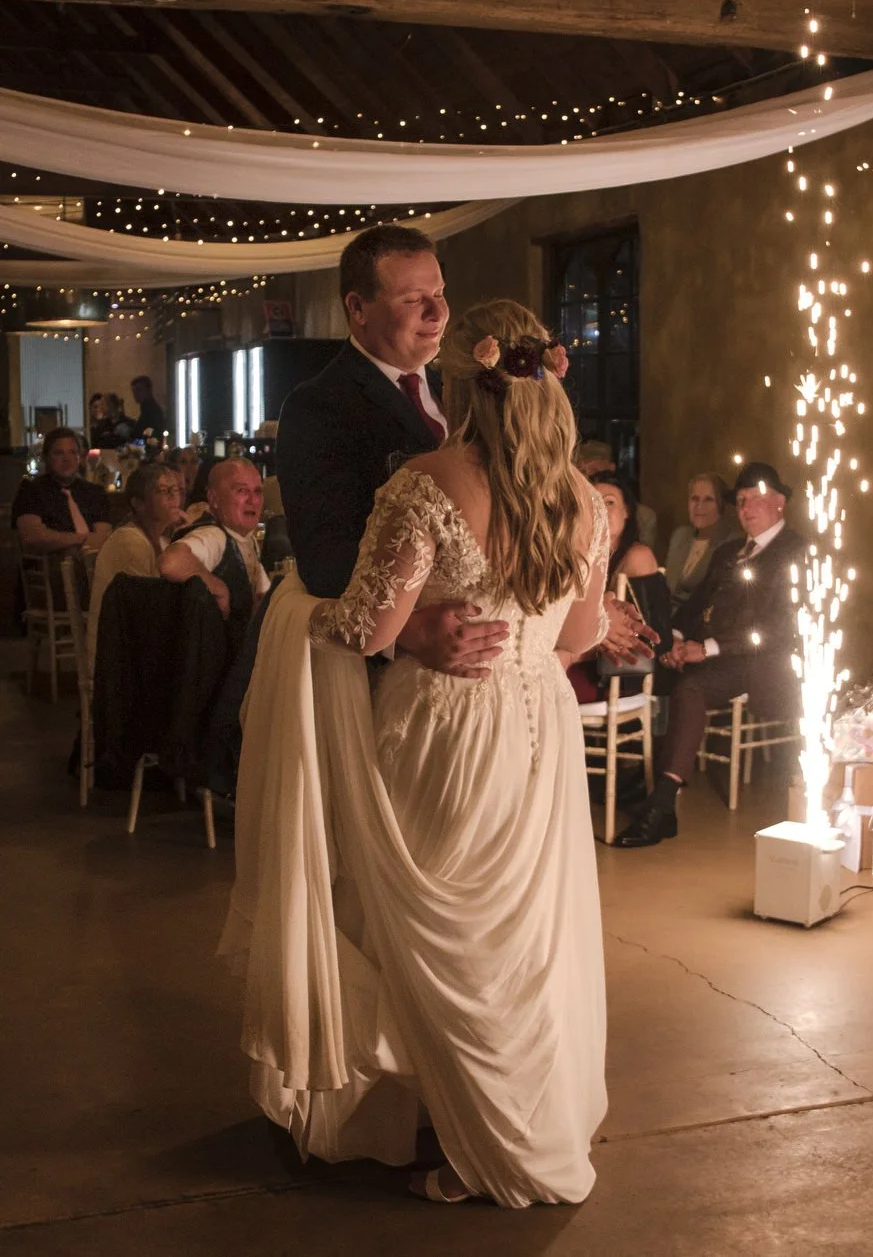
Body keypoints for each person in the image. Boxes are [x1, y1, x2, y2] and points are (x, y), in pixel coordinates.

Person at [224, 300, 610, 1207]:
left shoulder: (427, 484)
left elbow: (366, 628)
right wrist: (534, 637)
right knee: (517, 942)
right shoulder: (585, 498)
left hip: (445, 725)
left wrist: (294, 608)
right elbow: (579, 633)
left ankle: (463, 1137)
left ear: (460, 387)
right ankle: (513, 1121)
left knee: (428, 933)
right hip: (540, 727)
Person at [276, 223, 647, 676]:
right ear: (357, 307)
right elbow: (325, 561)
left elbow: (517, 511)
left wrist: (566, 602)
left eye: (440, 293)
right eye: (413, 299)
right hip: (385, 672)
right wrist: (407, 631)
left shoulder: (477, 385)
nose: (437, 313)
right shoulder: (318, 406)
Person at [613, 461, 807, 848]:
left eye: (755, 499)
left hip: (762, 662)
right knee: (646, 669)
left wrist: (708, 649)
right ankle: (641, 773)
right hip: (711, 652)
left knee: (692, 688)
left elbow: (780, 627)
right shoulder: (729, 552)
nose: (746, 508)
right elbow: (695, 604)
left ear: (779, 502)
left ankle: (663, 804)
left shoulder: (795, 551)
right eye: (741, 501)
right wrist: (673, 641)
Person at [563, 473, 671, 703]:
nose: (601, 510)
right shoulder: (579, 558)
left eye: (609, 502)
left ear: (626, 511)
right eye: (593, 502)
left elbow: (651, 633)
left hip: (619, 671)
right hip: (583, 654)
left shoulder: (637, 556)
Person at [86, 462, 187, 673]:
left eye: (176, 490)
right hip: (117, 661)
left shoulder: (162, 541)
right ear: (138, 503)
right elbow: (148, 614)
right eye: (163, 490)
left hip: (137, 649)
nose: (173, 497)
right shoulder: (130, 541)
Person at [159, 459, 268, 647]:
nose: (253, 500)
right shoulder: (213, 536)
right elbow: (169, 562)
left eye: (257, 491)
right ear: (214, 499)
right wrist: (217, 587)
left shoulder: (245, 538)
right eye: (242, 491)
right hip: (216, 661)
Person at [12, 427, 112, 555]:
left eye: (72, 452)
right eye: (59, 453)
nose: (67, 459)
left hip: (94, 563)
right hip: (51, 564)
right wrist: (82, 539)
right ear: (46, 457)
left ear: (80, 458)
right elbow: (33, 538)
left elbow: (103, 538)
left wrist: (61, 540)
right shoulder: (31, 490)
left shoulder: (95, 492)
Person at [664, 472, 736, 608]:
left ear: (722, 505)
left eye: (708, 500)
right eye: (695, 499)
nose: (699, 506)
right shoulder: (680, 535)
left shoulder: (731, 542)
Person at [130, 375, 167, 441]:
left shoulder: (152, 411)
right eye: (134, 390)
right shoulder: (146, 409)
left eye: (139, 390)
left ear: (148, 390)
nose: (136, 393)